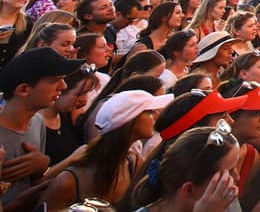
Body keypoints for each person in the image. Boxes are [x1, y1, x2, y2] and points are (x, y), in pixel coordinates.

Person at [39, 88, 173, 208]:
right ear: (130, 120)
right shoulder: (70, 179)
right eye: (149, 112)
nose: (155, 116)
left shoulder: (134, 163)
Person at [0, 48, 85, 206]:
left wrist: (43, 165)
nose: (64, 86)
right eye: (55, 80)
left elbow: (30, 182)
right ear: (24, 90)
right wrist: (18, 204)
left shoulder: (38, 122)